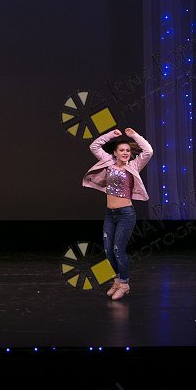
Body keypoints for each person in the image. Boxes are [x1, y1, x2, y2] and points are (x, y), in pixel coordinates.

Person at [82, 128, 153, 300]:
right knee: (108, 251)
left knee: (118, 250)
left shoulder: (133, 166)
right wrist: (109, 136)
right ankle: (117, 281)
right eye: (122, 150)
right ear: (115, 152)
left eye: (128, 150)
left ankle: (124, 284)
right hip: (110, 214)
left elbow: (148, 151)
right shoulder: (108, 162)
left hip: (126, 214)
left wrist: (134, 136)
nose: (126, 153)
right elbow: (94, 146)